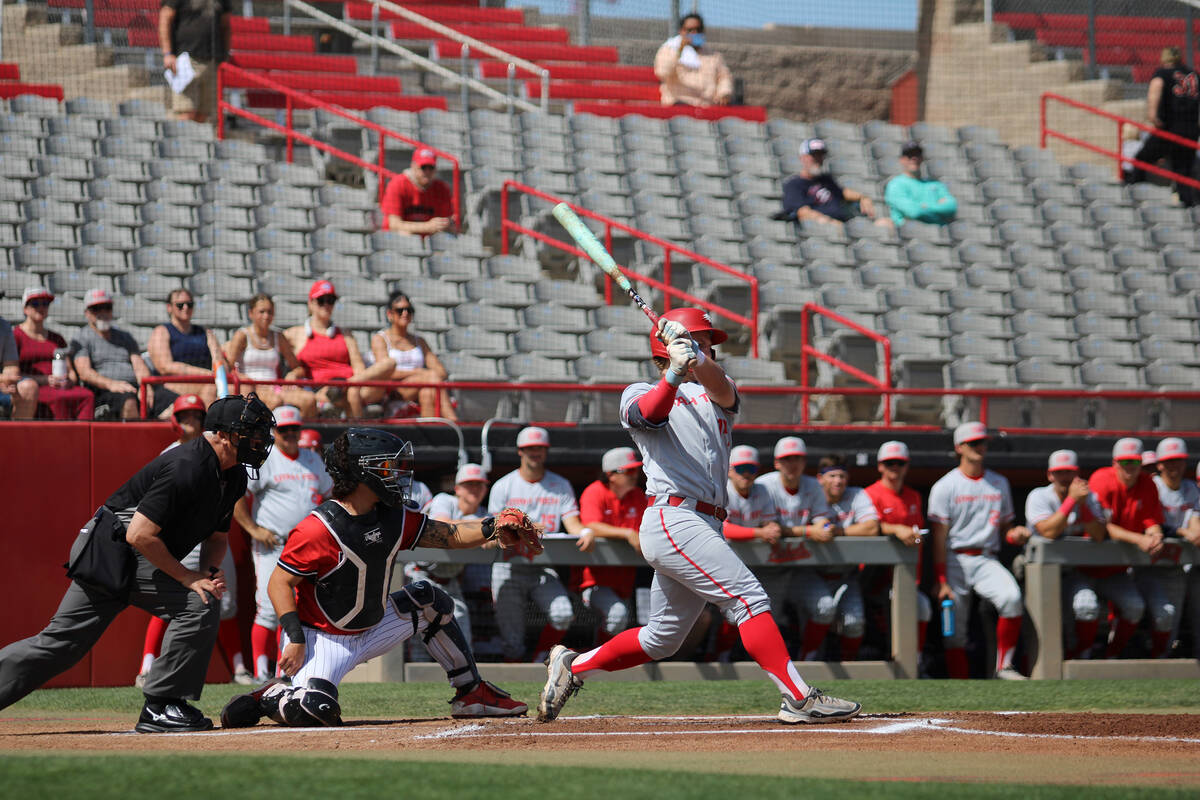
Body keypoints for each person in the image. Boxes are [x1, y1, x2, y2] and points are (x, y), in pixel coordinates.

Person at [536, 307, 860, 725]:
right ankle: (798, 698)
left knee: (662, 639)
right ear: (666, 347)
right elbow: (649, 415)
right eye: (703, 339)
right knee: (749, 598)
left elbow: (722, 386)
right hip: (673, 517)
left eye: (707, 342)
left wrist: (694, 357)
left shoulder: (717, 391)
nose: (710, 347)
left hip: (706, 522)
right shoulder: (636, 391)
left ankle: (572, 666)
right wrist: (672, 370)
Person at [219, 428, 538, 728]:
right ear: (360, 473)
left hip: (372, 625)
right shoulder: (318, 527)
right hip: (320, 637)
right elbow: (279, 583)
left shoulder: (395, 515)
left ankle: (471, 693)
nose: (395, 473)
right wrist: (295, 638)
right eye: (385, 466)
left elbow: (450, 534)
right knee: (318, 711)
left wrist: (493, 525)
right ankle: (273, 694)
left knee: (430, 599)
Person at [0, 394, 272, 732]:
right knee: (62, 645)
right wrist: (188, 578)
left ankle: (163, 702)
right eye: (249, 432)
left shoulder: (232, 476)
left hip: (140, 555)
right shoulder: (186, 465)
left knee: (202, 597)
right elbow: (139, 534)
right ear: (220, 433)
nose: (259, 441)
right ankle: (160, 709)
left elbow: (216, 538)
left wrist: (207, 573)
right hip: (111, 553)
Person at [231, 405, 332, 683]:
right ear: (274, 431)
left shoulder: (312, 459)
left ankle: (283, 671)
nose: (289, 434)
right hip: (274, 542)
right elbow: (238, 492)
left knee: (299, 610)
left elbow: (328, 494)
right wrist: (252, 528)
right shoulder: (266, 458)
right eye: (283, 429)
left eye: (294, 429)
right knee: (267, 609)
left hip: (307, 546)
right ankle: (262, 673)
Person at [928, 421, 1030, 680]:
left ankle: (1004, 667)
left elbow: (1005, 526)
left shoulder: (999, 482)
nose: (980, 447)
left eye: (983, 442)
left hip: (986, 557)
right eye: (974, 443)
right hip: (955, 558)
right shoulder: (945, 485)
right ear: (959, 447)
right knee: (954, 630)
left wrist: (1014, 533)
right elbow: (938, 538)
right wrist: (940, 580)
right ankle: (960, 684)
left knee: (1011, 598)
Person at [1024, 449, 1142, 660]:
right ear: (1050, 475)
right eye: (1059, 473)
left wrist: (1082, 505)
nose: (1064, 478)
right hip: (1042, 575)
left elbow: (1098, 535)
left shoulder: (1090, 498)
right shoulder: (1039, 496)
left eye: (1069, 472)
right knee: (1045, 628)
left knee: (1122, 606)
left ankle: (1096, 656)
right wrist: (1071, 501)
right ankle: (1071, 657)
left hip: (1077, 571)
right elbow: (1049, 531)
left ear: (1077, 474)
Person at [488, 426, 583, 662]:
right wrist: (524, 529)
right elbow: (493, 529)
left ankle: (543, 657)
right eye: (530, 448)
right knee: (511, 640)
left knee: (563, 614)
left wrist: (587, 532)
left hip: (543, 565)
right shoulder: (503, 485)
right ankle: (515, 680)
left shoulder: (560, 484)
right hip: (508, 566)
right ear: (520, 451)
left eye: (539, 448)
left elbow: (573, 524)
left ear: (546, 451)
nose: (535, 453)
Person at [753, 436, 837, 660]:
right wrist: (809, 531)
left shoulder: (813, 486)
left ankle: (807, 657)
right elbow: (771, 529)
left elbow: (823, 520)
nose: (792, 464)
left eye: (796, 459)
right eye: (787, 459)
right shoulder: (763, 485)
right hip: (767, 567)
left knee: (826, 607)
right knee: (760, 619)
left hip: (800, 566)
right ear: (777, 463)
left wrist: (825, 527)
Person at [1088, 438, 1168, 658]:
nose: (1130, 466)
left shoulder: (1148, 484)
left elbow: (1151, 520)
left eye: (1134, 461)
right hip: (1084, 566)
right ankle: (1078, 658)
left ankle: (1111, 656)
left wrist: (1156, 535)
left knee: (1135, 607)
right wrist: (1139, 540)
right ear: (1115, 463)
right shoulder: (1101, 479)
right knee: (1084, 608)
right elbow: (1103, 528)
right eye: (1125, 461)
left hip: (1116, 569)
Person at [404, 462, 491, 655]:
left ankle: (463, 681)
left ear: (486, 488)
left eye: (480, 484)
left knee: (462, 637)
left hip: (450, 580)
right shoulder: (444, 500)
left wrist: (497, 532)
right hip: (421, 575)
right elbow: (443, 525)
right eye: (469, 484)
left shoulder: (484, 515)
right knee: (419, 641)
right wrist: (485, 528)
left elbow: (495, 537)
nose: (475, 489)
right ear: (457, 488)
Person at [283, 280, 395, 419]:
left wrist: (349, 385)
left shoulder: (345, 333)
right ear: (310, 303)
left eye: (330, 300)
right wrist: (293, 373)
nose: (326, 305)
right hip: (321, 390)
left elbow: (358, 367)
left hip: (350, 385)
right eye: (321, 300)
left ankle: (348, 393)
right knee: (350, 394)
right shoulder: (295, 334)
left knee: (390, 363)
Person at [862, 441, 932, 660]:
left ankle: (916, 662)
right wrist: (896, 530)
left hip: (906, 573)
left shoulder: (914, 496)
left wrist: (916, 537)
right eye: (889, 463)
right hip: (872, 574)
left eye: (899, 463)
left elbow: (919, 534)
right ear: (880, 466)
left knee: (923, 609)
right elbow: (868, 527)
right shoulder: (868, 494)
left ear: (906, 466)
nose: (894, 467)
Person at [811, 454, 880, 662]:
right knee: (822, 612)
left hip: (845, 574)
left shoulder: (856, 494)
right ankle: (808, 660)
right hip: (812, 573)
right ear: (820, 478)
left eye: (842, 476)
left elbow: (871, 527)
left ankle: (850, 666)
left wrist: (839, 531)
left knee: (854, 622)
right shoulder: (812, 494)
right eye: (832, 476)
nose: (838, 481)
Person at [575, 446, 647, 645]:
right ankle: (598, 659)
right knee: (617, 616)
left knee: (629, 622)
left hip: (625, 580)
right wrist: (626, 533)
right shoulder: (595, 492)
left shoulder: (638, 495)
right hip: (593, 581)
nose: (635, 475)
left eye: (636, 470)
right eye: (629, 471)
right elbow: (591, 525)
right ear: (611, 475)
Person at [71, 288, 161, 420]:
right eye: (96, 309)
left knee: (174, 402)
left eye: (107, 307)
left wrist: (145, 387)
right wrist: (112, 384)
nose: (102, 312)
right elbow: (85, 372)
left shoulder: (125, 337)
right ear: (87, 313)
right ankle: (136, 440)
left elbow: (139, 365)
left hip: (133, 387)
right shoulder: (81, 337)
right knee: (129, 402)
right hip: (104, 392)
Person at [224, 293, 317, 419]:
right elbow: (228, 368)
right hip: (251, 389)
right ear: (251, 313)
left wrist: (293, 374)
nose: (266, 316)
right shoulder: (242, 335)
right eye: (261, 312)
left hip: (275, 387)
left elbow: (298, 368)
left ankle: (301, 435)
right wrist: (244, 379)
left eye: (270, 312)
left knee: (309, 399)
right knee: (274, 401)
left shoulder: (279, 337)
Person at [1147, 438, 1200, 657]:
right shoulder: (1152, 486)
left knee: (1173, 618)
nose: (1174, 466)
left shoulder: (1190, 488)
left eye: (1178, 461)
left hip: (1177, 565)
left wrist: (1194, 530)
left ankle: (1164, 658)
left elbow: (1194, 518)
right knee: (1156, 615)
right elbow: (1152, 522)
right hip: (1149, 564)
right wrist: (1184, 532)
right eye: (1169, 461)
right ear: (1159, 464)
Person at [1129, 47, 1199, 206]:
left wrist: (1154, 118)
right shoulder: (1193, 75)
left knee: (1141, 159)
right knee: (1183, 169)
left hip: (1169, 129)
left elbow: (1155, 93)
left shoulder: (1162, 74)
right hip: (1191, 130)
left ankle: (1132, 193)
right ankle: (1187, 203)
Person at [370, 291, 456, 421]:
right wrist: (418, 373)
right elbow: (385, 373)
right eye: (400, 310)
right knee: (431, 377)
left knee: (427, 392)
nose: (405, 313)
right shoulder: (380, 339)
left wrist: (421, 377)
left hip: (421, 387)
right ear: (390, 314)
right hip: (395, 391)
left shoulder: (419, 341)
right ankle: (455, 422)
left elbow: (441, 372)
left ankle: (432, 436)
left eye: (409, 310)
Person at [11, 286, 94, 420]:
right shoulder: (15, 336)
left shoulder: (57, 338)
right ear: (25, 308)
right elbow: (12, 373)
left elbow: (71, 371)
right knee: (59, 398)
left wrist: (69, 381)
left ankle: (83, 438)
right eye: (36, 303)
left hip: (60, 386)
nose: (41, 307)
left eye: (45, 304)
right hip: (34, 386)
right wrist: (44, 380)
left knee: (87, 395)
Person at [780, 139, 889, 227]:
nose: (818, 159)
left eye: (820, 155)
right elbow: (802, 212)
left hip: (843, 224)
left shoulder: (826, 180)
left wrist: (863, 197)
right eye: (814, 155)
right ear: (803, 158)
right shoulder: (793, 184)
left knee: (885, 223)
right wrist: (829, 222)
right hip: (820, 228)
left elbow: (843, 192)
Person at [148, 288, 224, 408]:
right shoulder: (162, 331)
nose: (185, 308)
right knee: (210, 387)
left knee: (242, 386)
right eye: (180, 305)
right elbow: (165, 367)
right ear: (169, 307)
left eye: (189, 304)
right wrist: (204, 374)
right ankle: (208, 426)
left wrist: (217, 372)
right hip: (173, 384)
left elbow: (219, 360)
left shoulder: (205, 332)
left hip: (208, 380)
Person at [158, 0, 231, 124]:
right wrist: (167, 54)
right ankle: (183, 142)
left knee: (205, 114)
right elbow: (165, 18)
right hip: (185, 60)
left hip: (212, 62)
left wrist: (225, 55)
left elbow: (226, 25)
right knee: (186, 112)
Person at [653, 13, 733, 108]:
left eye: (698, 30)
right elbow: (662, 73)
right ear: (682, 31)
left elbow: (724, 77)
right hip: (679, 105)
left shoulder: (713, 55)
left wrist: (724, 93)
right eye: (690, 30)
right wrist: (680, 50)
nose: (694, 33)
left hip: (708, 106)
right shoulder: (670, 50)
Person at [883, 141, 957, 227]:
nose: (914, 158)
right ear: (902, 159)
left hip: (938, 234)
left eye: (917, 155)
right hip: (909, 233)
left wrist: (925, 206)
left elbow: (952, 207)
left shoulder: (935, 184)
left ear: (922, 158)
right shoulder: (896, 184)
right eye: (909, 155)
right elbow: (914, 212)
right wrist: (938, 209)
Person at [381, 148, 454, 236]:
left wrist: (445, 224)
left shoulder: (442, 188)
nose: (427, 172)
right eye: (423, 167)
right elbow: (394, 225)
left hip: (430, 242)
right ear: (413, 166)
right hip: (398, 241)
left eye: (430, 168)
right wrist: (426, 227)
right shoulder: (398, 184)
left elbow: (448, 220)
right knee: (405, 234)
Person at [0, 312, 20, 419]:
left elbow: (11, 366)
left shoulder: (3, 326)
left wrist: (8, 383)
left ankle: (18, 435)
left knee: (28, 387)